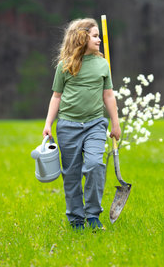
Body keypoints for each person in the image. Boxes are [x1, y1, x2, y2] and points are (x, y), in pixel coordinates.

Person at [43, 18, 121, 230]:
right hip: (68, 126)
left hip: (95, 124)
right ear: (81, 37)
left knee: (95, 165)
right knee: (71, 175)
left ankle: (93, 215)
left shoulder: (103, 63)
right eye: (95, 36)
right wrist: (48, 123)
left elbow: (108, 95)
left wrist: (115, 124)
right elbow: (56, 97)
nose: (99, 40)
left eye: (99, 35)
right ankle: (76, 219)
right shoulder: (65, 65)